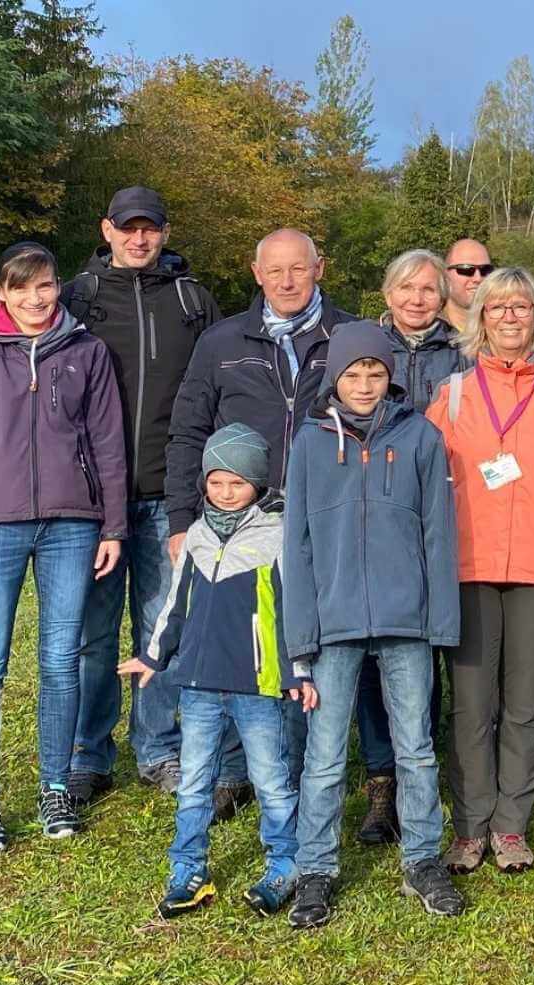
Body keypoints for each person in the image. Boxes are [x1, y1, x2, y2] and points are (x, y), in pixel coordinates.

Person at [0, 241, 127, 854]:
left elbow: (107, 444)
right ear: (2, 292)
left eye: (44, 285)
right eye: (21, 289)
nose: (35, 299)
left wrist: (113, 527)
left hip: (73, 524)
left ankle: (54, 787)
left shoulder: (87, 351)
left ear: (57, 286)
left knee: (60, 660)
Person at [166, 228, 360, 819]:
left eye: (297, 269)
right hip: (240, 524)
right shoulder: (222, 340)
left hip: (326, 519)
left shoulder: (348, 337)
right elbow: (188, 431)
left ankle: (302, 767)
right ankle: (230, 770)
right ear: (256, 274)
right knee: (230, 640)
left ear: (319, 267)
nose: (286, 281)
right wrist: (181, 518)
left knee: (305, 642)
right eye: (274, 271)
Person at [280, 322, 465, 927]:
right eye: (353, 373)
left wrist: (440, 621)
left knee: (415, 748)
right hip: (332, 626)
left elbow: (439, 534)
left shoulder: (421, 437)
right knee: (327, 757)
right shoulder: (309, 443)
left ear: (391, 378)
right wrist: (299, 636)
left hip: (405, 620)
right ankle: (315, 868)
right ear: (335, 377)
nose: (364, 384)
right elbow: (297, 544)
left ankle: (422, 860)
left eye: (376, 373)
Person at [428, 268, 534, 876]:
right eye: (496, 307)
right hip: (466, 570)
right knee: (472, 704)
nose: (508, 317)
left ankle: (510, 826)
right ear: (479, 319)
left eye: (520, 308)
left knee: (526, 702)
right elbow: (425, 495)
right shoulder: (450, 397)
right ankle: (470, 826)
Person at [65, 186, 224, 805]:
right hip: (91, 501)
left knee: (163, 627)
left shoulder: (192, 302)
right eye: (128, 228)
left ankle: (159, 748)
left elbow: (214, 393)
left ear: (164, 231)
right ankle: (89, 752)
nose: (139, 239)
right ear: (106, 230)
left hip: (169, 494)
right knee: (92, 632)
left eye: (150, 229)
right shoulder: (77, 299)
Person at [117, 424, 311, 919]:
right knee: (195, 781)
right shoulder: (198, 536)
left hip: (259, 687)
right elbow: (175, 605)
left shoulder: (278, 535)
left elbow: (294, 610)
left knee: (271, 779)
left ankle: (285, 863)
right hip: (199, 688)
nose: (225, 493)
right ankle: (188, 870)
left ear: (258, 484)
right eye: (216, 482)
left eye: (237, 483)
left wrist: (299, 672)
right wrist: (154, 655)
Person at [350, 249, 471, 847]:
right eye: (406, 288)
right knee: (377, 650)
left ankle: (431, 768)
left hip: (449, 509)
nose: (418, 299)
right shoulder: (364, 348)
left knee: (435, 647)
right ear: (388, 291)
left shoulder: (464, 349)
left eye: (428, 288)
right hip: (377, 517)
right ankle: (382, 782)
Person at [441, 238, 492, 335]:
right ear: (445, 275)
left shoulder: (503, 329)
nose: (478, 278)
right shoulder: (427, 332)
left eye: (485, 270)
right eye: (466, 270)